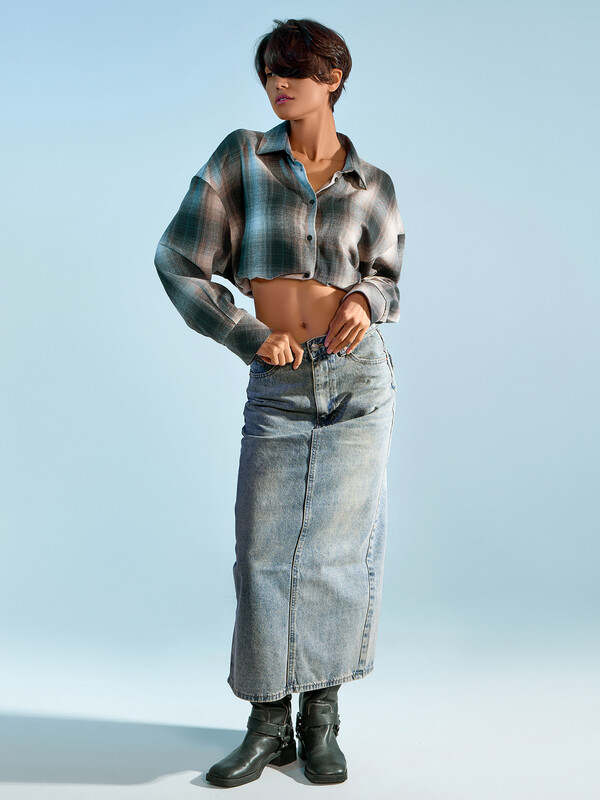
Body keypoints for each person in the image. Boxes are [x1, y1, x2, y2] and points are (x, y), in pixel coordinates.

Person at [154, 17, 405, 788]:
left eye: (293, 70)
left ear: (333, 78)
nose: (278, 83)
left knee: (338, 555)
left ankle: (320, 721)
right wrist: (245, 333)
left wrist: (364, 299)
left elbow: (387, 277)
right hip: (281, 384)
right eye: (270, 71)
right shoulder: (241, 157)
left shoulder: (373, 185)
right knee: (263, 552)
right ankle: (268, 725)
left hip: (357, 382)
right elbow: (177, 258)